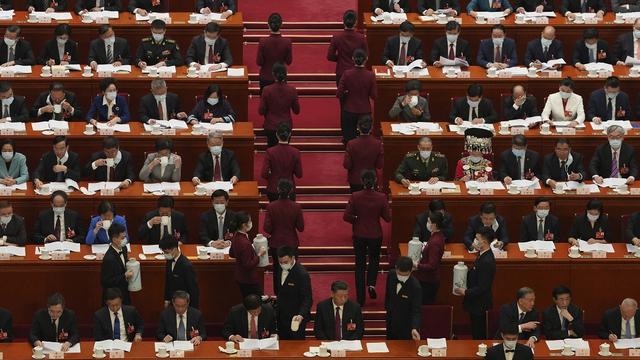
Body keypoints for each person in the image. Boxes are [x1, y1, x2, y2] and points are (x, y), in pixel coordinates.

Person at [344, 170, 390, 306]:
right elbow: (387, 218)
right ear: (375, 180)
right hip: (375, 234)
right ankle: (371, 284)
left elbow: (346, 216)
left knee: (359, 265)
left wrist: (357, 220)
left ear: (362, 181)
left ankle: (361, 299)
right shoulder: (382, 197)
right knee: (374, 260)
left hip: (359, 234)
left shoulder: (355, 196)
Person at [455, 227, 496, 339]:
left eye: (477, 238)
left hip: (480, 305)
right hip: (475, 303)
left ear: (484, 241)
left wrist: (466, 292)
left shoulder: (487, 261)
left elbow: (483, 287)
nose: (475, 240)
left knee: (479, 334)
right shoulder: (482, 255)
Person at [265, 179, 304, 293]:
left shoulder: (271, 207)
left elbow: (267, 227)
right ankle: (292, 293)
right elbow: (301, 227)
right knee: (292, 269)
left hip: (276, 243)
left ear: (277, 190)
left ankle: (278, 294)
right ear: (291, 191)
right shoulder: (296, 207)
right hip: (291, 242)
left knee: (277, 269)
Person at [337, 48, 376, 144]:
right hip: (365, 110)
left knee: (349, 140)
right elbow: (374, 95)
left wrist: (347, 94)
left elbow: (339, 93)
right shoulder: (370, 75)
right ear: (366, 59)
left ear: (353, 59)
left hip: (349, 109)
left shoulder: (347, 74)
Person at [275, 245, 312, 340]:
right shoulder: (279, 268)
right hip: (281, 316)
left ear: (293, 258)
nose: (283, 264)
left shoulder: (302, 274)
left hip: (295, 319)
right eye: (281, 262)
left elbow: (307, 299)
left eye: (285, 262)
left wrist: (301, 315)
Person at [259, 62, 300, 147]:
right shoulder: (292, 90)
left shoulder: (267, 90)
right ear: (286, 74)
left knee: (271, 151)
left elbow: (261, 111)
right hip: (286, 126)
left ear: (273, 74)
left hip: (271, 126)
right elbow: (297, 111)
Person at [261, 123, 303, 201]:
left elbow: (264, 174)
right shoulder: (295, 152)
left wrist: (272, 177)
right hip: (289, 189)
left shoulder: (270, 152)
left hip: (273, 188)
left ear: (277, 135)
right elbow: (299, 174)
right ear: (289, 135)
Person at [229, 211, 265, 297]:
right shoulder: (244, 243)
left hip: (240, 276)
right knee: (254, 302)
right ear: (244, 225)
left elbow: (232, 253)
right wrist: (259, 254)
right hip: (248, 279)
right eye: (249, 221)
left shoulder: (236, 236)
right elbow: (248, 265)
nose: (251, 223)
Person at [343, 116, 384, 192]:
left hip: (355, 179)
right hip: (371, 178)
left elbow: (347, 165)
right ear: (371, 128)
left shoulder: (351, 144)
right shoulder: (377, 144)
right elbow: (379, 165)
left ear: (358, 128)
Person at [327, 10, 368, 86]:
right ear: (355, 22)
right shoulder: (361, 38)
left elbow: (330, 56)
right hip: (357, 72)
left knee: (342, 96)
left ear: (343, 21)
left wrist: (340, 58)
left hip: (341, 72)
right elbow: (366, 55)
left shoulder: (337, 37)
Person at [385, 256, 421, 340]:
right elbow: (388, 295)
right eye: (399, 274)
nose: (401, 276)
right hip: (391, 322)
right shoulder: (391, 274)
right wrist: (387, 309)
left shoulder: (415, 287)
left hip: (405, 327)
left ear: (411, 270)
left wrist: (414, 328)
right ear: (396, 268)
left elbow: (416, 310)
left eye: (404, 275)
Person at [413, 211, 445, 305]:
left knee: (425, 306)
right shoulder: (438, 236)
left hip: (428, 281)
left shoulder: (435, 242)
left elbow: (432, 265)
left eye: (428, 221)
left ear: (434, 224)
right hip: (429, 279)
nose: (427, 223)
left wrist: (417, 265)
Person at [160, 235, 200, 309]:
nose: (165, 254)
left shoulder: (186, 266)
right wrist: (167, 299)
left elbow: (194, 291)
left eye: (166, 252)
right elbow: (168, 282)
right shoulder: (169, 261)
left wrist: (193, 311)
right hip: (173, 303)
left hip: (184, 305)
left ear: (174, 249)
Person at [257, 13, 292, 91]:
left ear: (268, 25)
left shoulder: (263, 42)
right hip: (281, 78)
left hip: (265, 78)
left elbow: (259, 62)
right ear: (281, 25)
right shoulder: (287, 42)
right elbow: (289, 61)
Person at [100, 223, 132, 304]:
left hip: (124, 292)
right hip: (114, 297)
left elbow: (122, 265)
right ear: (114, 239)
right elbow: (106, 281)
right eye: (123, 237)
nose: (125, 239)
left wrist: (129, 262)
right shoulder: (109, 259)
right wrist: (124, 276)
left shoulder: (124, 248)